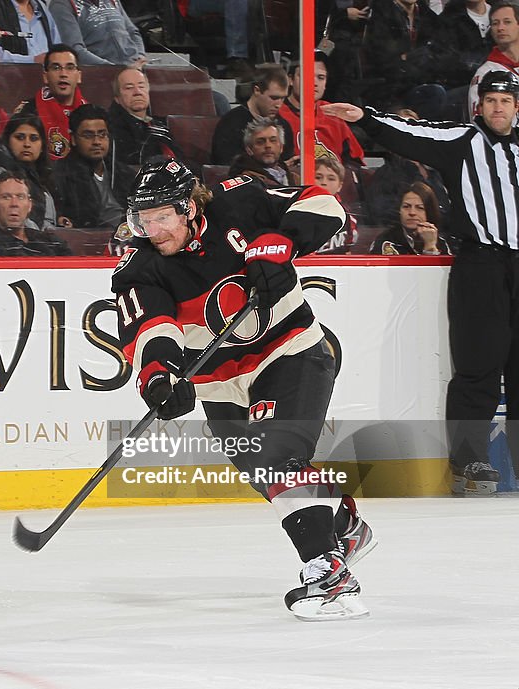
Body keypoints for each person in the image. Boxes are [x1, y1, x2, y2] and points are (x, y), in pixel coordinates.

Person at [112, 158, 375, 620]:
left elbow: (323, 203)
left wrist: (283, 241)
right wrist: (159, 376)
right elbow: (152, 328)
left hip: (290, 353)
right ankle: (342, 526)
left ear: (189, 207)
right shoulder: (140, 266)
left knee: (276, 457)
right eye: (143, 218)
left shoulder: (241, 201)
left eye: (162, 217)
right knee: (263, 472)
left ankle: (330, 575)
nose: (152, 229)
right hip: (219, 386)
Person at [324, 70, 519, 494]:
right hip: (481, 263)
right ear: (478, 106)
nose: (497, 108)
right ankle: (470, 462)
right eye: (490, 101)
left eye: (505, 101)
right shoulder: (461, 142)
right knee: (478, 364)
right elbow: (410, 133)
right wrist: (366, 118)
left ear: (516, 108)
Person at [277, 53, 364, 166]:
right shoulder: (275, 114)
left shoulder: (333, 113)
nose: (314, 83)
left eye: (321, 78)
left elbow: (355, 163)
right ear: (290, 80)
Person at [52, 103, 127, 229]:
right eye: (88, 135)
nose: (97, 142)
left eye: (102, 134)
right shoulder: (59, 175)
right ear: (73, 139)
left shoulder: (124, 173)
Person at [211, 64, 294, 165]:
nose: (279, 105)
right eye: (274, 98)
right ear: (257, 90)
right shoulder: (230, 124)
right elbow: (226, 167)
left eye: (283, 98)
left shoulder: (283, 126)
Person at [16, 44, 88, 160]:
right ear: (45, 76)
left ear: (79, 76)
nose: (63, 74)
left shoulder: (90, 114)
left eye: (70, 68)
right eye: (56, 68)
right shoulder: (28, 111)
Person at [0, 170, 72, 255]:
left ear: (30, 205)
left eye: (20, 197)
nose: (14, 204)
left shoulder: (49, 240)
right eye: (6, 197)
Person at [106, 67, 178, 169]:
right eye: (129, 88)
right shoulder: (113, 128)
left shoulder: (160, 125)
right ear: (117, 99)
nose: (137, 92)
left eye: (141, 86)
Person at [47, 0, 146, 67]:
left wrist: (140, 57)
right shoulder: (61, 5)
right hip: (100, 74)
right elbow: (75, 51)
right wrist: (114, 68)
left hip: (134, 67)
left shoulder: (113, 1)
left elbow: (133, 32)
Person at [369, 182, 452, 255]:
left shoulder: (440, 243)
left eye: (420, 208)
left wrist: (430, 246)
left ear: (429, 212)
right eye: (406, 206)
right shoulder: (385, 241)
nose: (412, 212)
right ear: (399, 210)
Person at [468, 1, 519, 119]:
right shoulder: (485, 74)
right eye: (495, 23)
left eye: (507, 22)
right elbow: (480, 121)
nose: (500, 28)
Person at [0, 0, 62, 64]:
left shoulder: (42, 7)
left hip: (45, 80)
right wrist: (33, 60)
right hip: (8, 79)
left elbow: (57, 47)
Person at [228, 118, 301, 187]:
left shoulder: (296, 179)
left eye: (273, 140)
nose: (268, 146)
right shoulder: (245, 181)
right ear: (249, 150)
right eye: (260, 142)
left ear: (281, 147)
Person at [312, 156, 357, 254]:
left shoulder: (347, 217)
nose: (323, 183)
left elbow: (347, 251)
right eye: (318, 177)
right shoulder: (296, 212)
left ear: (340, 186)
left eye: (331, 179)